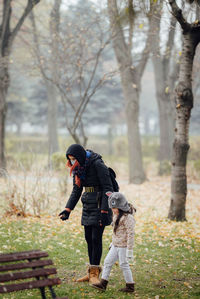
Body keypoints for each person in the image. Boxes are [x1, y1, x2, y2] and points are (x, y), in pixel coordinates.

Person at [59, 144, 114, 284]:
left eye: (73, 159)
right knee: (88, 238)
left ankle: (95, 273)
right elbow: (76, 190)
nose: (71, 162)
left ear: (80, 157)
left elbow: (108, 188)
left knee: (96, 238)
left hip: (101, 204)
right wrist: (67, 210)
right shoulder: (78, 168)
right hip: (88, 205)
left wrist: (104, 211)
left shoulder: (97, 164)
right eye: (70, 159)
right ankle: (91, 272)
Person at [92, 191, 136, 293]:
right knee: (107, 262)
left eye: (114, 207)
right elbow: (116, 232)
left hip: (124, 246)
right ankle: (103, 284)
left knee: (124, 264)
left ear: (121, 206)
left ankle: (130, 286)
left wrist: (129, 250)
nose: (112, 210)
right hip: (116, 245)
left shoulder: (128, 218)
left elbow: (130, 234)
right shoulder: (116, 214)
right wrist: (113, 243)